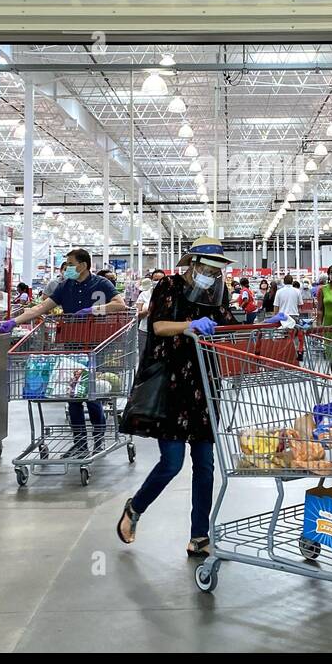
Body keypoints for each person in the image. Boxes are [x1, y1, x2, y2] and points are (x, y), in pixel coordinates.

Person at [116, 236, 287, 557]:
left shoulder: (215, 293)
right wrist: (190, 324)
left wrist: (265, 325)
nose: (212, 273)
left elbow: (227, 328)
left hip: (204, 383)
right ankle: (135, 508)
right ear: (192, 264)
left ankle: (199, 535)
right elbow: (158, 326)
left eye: (217, 268)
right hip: (168, 382)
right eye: (208, 266)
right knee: (171, 463)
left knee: (205, 465)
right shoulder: (168, 287)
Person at [0, 248, 127, 453]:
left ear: (83, 265)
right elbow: (40, 308)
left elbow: (119, 305)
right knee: (72, 394)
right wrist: (14, 321)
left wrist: (94, 310)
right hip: (71, 344)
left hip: (96, 344)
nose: (67, 269)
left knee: (91, 394)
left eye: (71, 264)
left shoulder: (102, 284)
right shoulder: (65, 286)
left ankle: (99, 437)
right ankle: (80, 442)